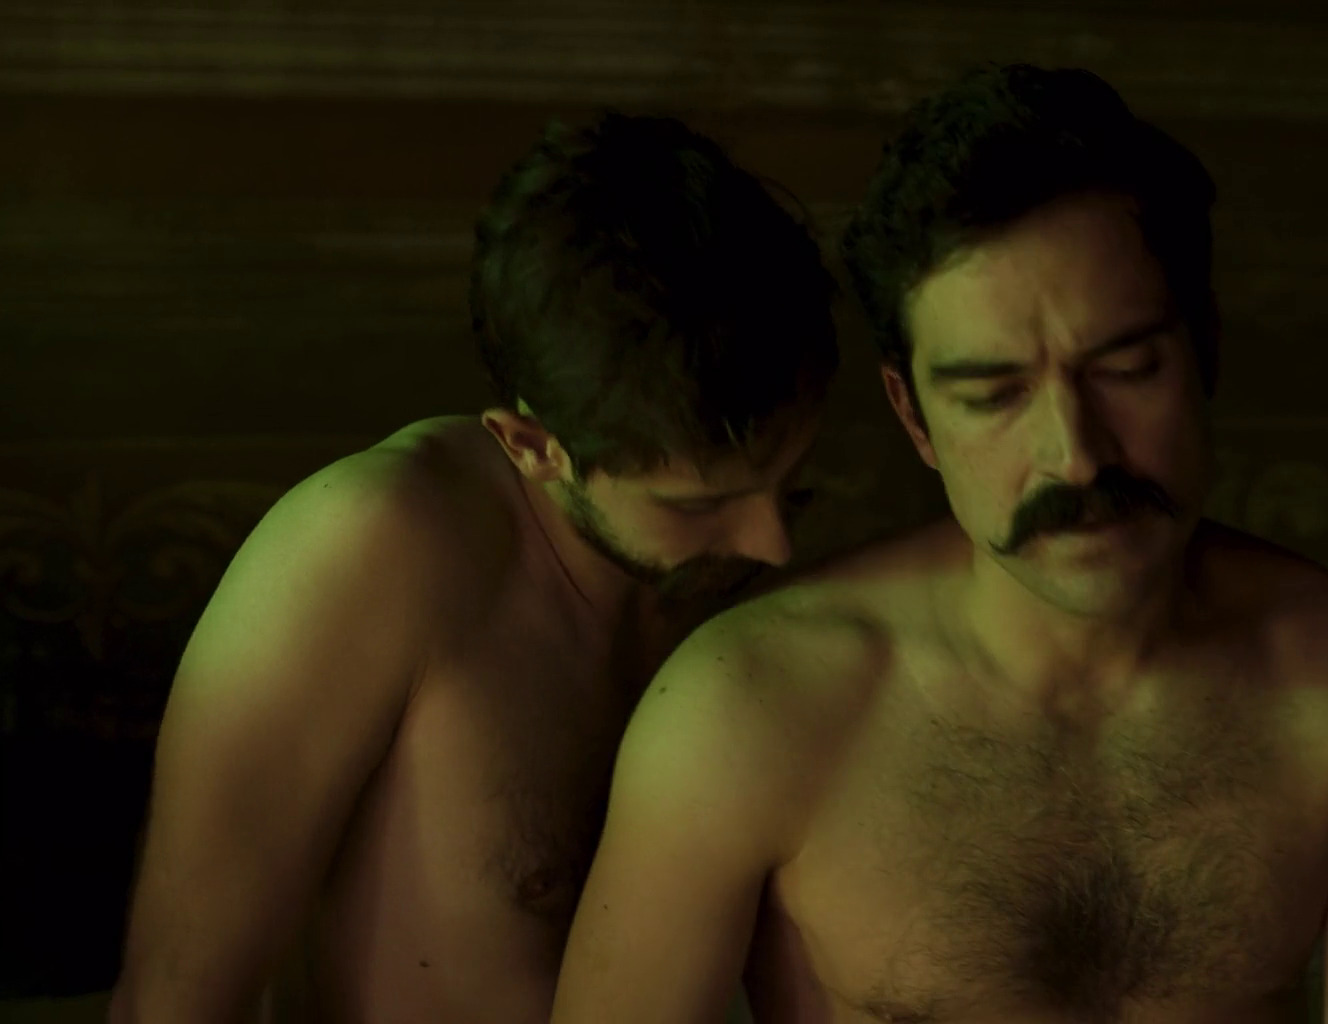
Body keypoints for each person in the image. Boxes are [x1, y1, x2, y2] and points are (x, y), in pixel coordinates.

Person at [552, 64, 1328, 1024]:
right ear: (914, 416)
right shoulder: (749, 707)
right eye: (993, 396)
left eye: (1127, 368)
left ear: (1204, 346)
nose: (1075, 456)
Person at [108, 112, 838, 1024]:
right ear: (532, 447)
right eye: (697, 506)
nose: (772, 544)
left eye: (791, 482)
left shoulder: (750, 574)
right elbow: (175, 1000)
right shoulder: (376, 549)